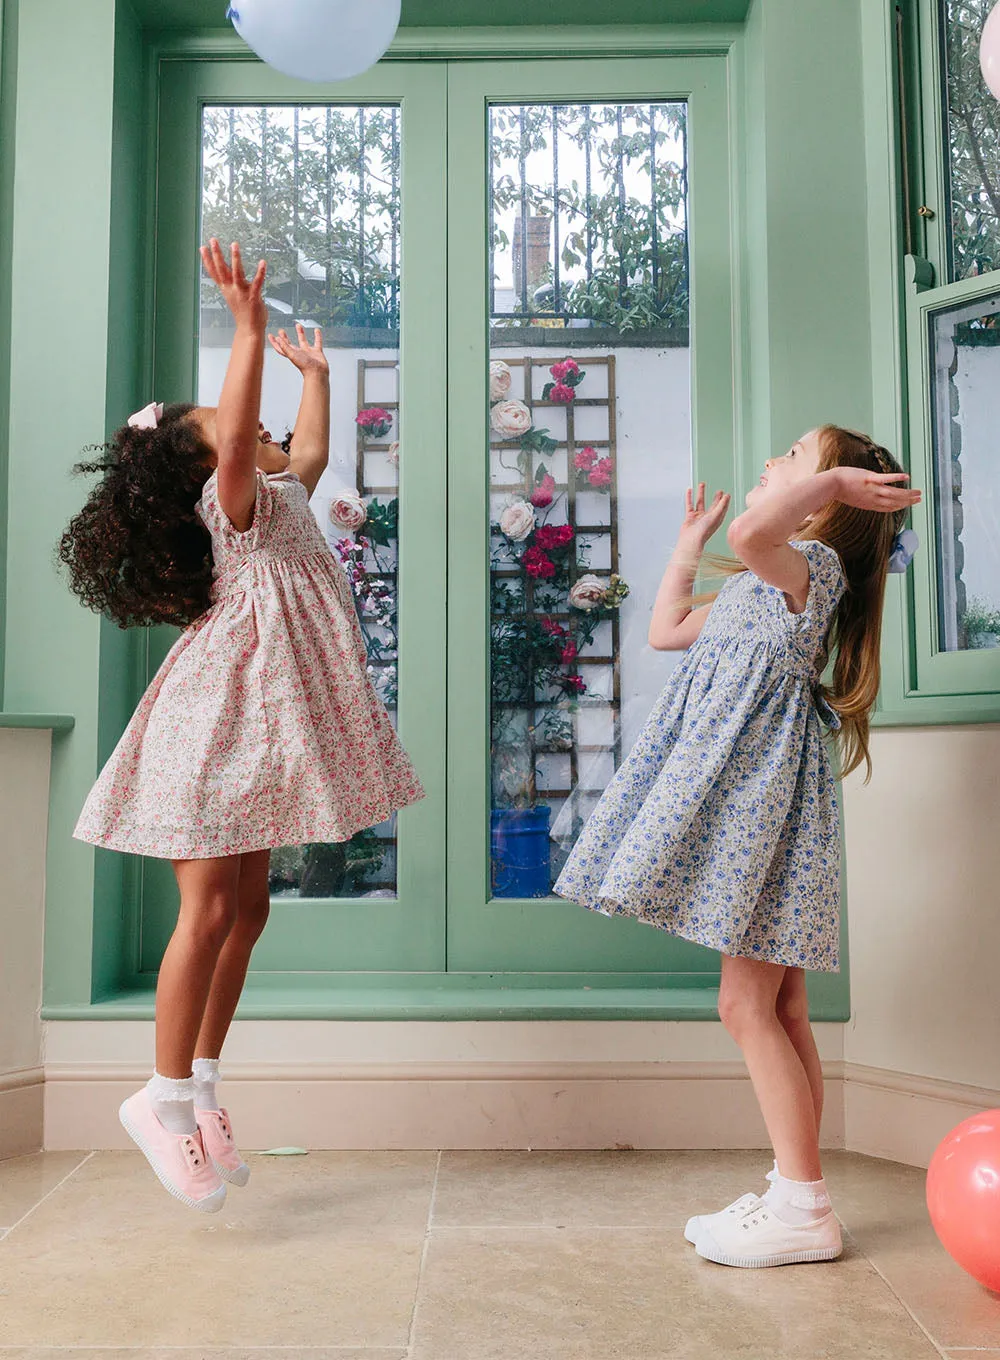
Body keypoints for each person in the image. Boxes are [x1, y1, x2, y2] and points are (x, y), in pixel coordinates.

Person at [60, 240, 423, 1213]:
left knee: (250, 907)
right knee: (210, 909)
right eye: (233, 423)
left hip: (259, 727)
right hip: (213, 724)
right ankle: (161, 1099)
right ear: (208, 463)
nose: (254, 429)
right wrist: (248, 331)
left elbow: (306, 452)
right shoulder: (234, 506)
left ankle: (203, 1083)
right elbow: (243, 452)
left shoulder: (280, 495)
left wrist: (317, 378)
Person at [554, 426, 920, 1268]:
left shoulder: (807, 569)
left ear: (831, 504)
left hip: (756, 811)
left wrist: (824, 480)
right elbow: (666, 630)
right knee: (778, 1010)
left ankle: (803, 1206)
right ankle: (798, 1189)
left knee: (744, 1007)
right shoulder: (765, 583)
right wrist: (687, 542)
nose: (772, 463)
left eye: (793, 455)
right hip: (755, 808)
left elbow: (759, 532)